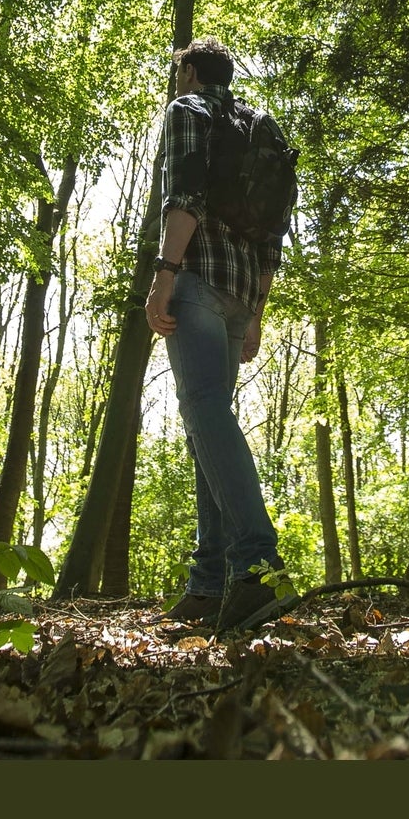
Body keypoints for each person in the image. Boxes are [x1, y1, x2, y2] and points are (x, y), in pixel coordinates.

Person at [145, 37, 296, 634]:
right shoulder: (261, 125)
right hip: (239, 297)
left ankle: (258, 566)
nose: (175, 77)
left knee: (205, 413)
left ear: (188, 69)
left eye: (176, 67)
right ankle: (208, 586)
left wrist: (165, 276)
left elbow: (183, 197)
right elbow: (271, 233)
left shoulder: (188, 111)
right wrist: (255, 311)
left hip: (199, 280)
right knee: (210, 427)